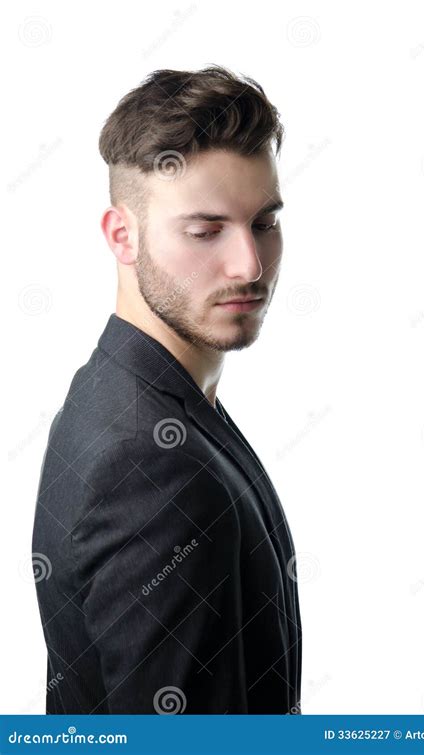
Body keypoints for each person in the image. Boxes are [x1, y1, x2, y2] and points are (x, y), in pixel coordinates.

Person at [32, 64, 302, 714]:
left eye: (263, 221)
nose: (250, 265)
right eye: (206, 230)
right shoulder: (151, 468)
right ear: (122, 235)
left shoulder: (135, 392)